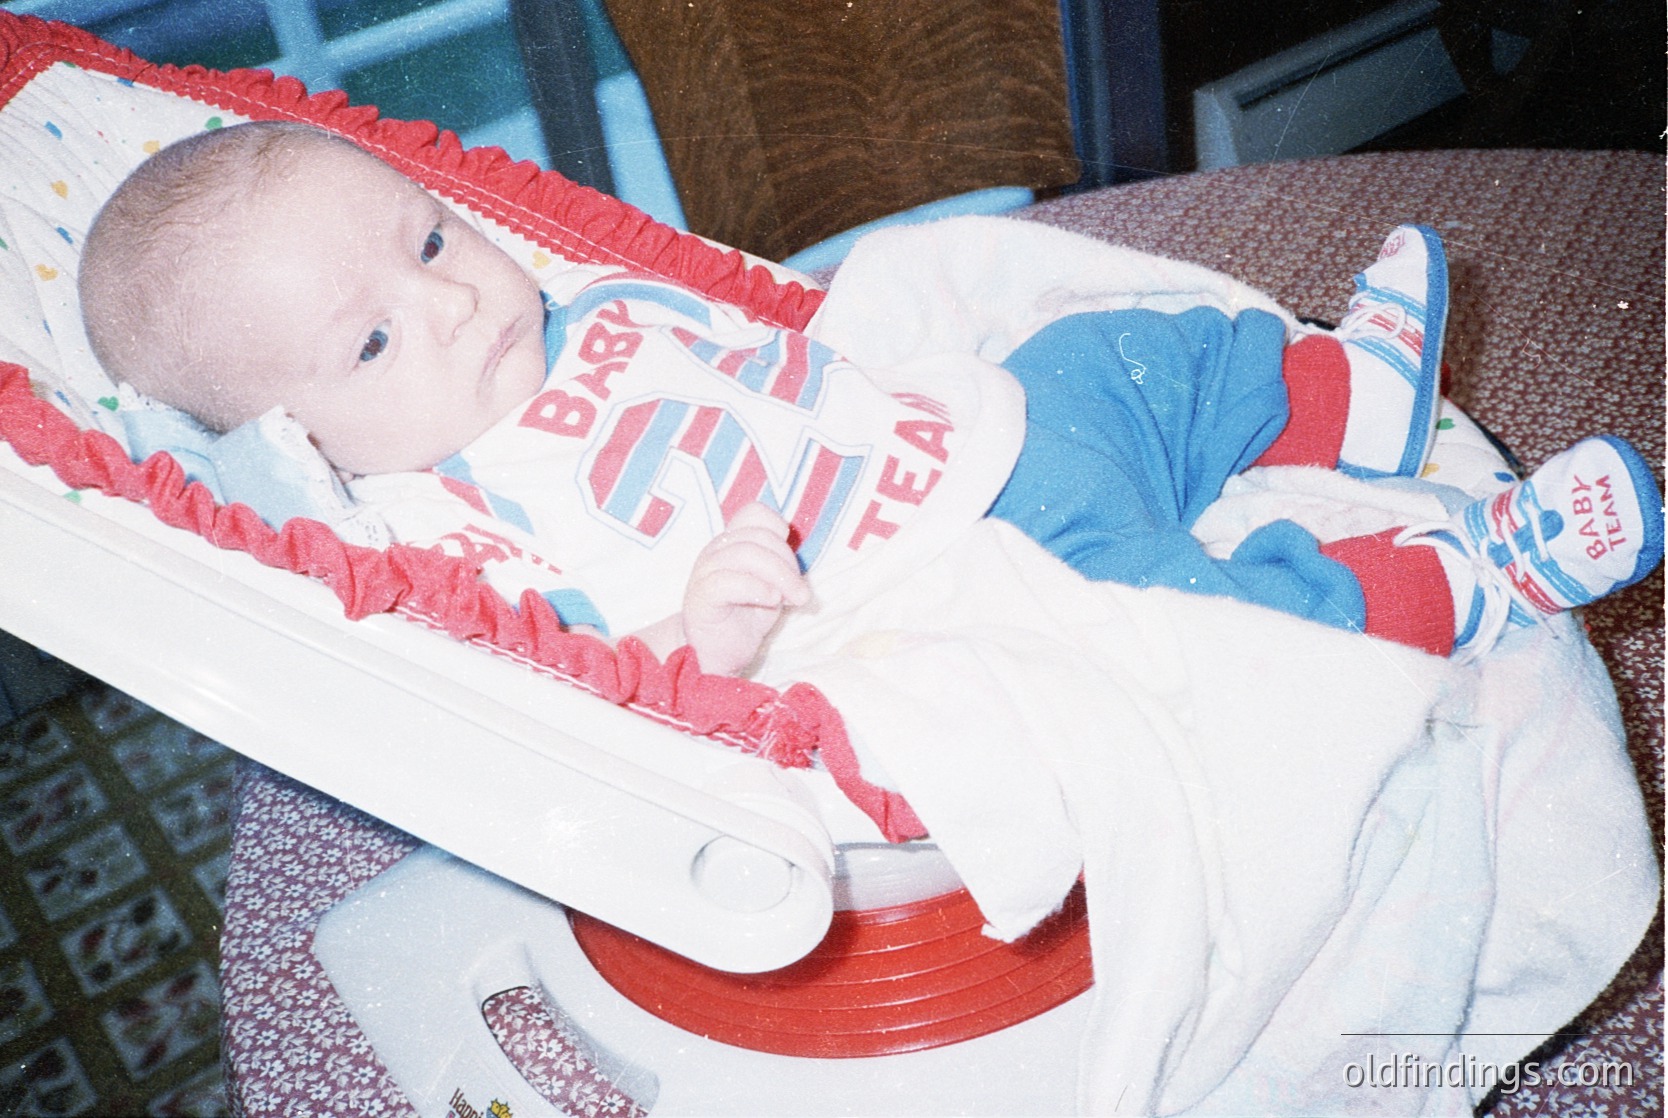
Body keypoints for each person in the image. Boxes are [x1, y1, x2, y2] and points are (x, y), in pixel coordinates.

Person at [78, 121, 1664, 678]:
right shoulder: (459, 527)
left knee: (1136, 343)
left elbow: (770, 348)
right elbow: (582, 669)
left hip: (965, 425)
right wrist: (705, 633)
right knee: (1208, 627)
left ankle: (1346, 398)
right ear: (303, 441)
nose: (448, 299)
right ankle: (1469, 576)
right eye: (371, 347)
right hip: (970, 569)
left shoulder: (576, 318)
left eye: (430, 237)